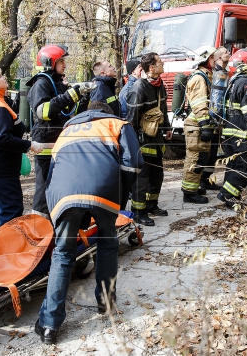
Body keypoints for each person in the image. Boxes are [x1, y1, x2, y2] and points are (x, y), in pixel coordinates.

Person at [35, 101, 142, 344]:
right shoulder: (118, 124)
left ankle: (49, 325)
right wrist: (119, 198)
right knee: (107, 244)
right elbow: (133, 164)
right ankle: (105, 303)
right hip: (104, 189)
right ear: (107, 112)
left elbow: (51, 175)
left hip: (62, 195)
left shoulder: (66, 130)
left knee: (63, 253)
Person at [0, 66, 44, 234]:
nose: (4, 78)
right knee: (10, 210)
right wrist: (29, 145)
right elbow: (2, 137)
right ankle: (7, 250)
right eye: (0, 76)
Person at [26, 44, 87, 219]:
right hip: (46, 141)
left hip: (58, 139)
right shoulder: (41, 84)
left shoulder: (57, 83)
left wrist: (82, 98)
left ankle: (54, 221)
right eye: (61, 62)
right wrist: (68, 96)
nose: (65, 65)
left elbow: (68, 113)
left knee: (58, 184)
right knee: (45, 185)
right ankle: (39, 224)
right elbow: (43, 112)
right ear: (49, 62)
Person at [126, 52, 173, 226]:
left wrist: (167, 128)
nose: (163, 64)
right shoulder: (139, 87)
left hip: (157, 140)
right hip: (142, 142)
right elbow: (131, 119)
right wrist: (132, 143)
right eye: (160, 62)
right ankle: (138, 212)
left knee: (157, 176)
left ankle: (152, 205)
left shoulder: (160, 86)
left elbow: (162, 110)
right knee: (142, 179)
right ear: (151, 67)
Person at [217, 48, 247, 207]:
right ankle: (229, 196)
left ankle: (225, 195)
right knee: (244, 166)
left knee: (234, 165)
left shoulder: (234, 79)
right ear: (244, 63)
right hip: (240, 135)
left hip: (230, 133)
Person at [180, 46, 217, 204]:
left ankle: (194, 188)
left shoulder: (206, 76)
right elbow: (199, 104)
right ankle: (189, 193)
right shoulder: (199, 78)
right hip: (196, 125)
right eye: (213, 58)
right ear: (206, 59)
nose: (215, 61)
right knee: (195, 158)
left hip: (199, 124)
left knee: (201, 157)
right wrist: (205, 124)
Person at [200, 47, 231, 191]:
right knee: (208, 153)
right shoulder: (217, 74)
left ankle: (206, 180)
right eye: (225, 53)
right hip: (213, 119)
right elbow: (215, 99)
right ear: (218, 58)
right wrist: (213, 121)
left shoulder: (223, 73)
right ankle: (202, 181)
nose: (229, 54)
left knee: (213, 153)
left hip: (219, 120)